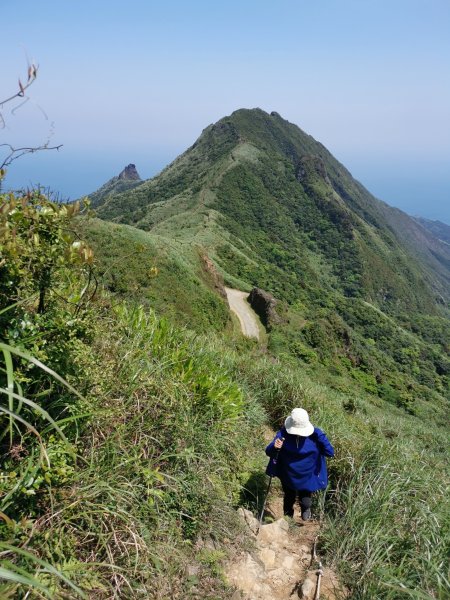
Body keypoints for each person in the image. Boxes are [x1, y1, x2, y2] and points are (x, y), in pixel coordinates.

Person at [265, 407, 334, 521]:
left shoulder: (315, 437)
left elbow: (330, 452)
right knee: (289, 497)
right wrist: (274, 446)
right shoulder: (283, 435)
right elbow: (269, 451)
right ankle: (288, 519)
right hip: (288, 475)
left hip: (307, 476)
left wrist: (320, 435)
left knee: (305, 498)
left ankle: (305, 509)